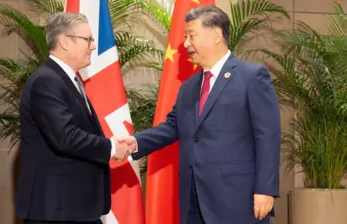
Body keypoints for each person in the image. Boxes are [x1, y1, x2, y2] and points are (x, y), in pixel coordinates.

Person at [118, 5, 281, 224]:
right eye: (185, 37)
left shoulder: (252, 77)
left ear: (216, 35)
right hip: (193, 198)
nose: (185, 43)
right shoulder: (188, 87)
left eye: (191, 36)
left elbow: (267, 136)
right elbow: (173, 127)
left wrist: (265, 189)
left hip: (237, 199)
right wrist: (135, 143)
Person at [16, 12, 132, 224]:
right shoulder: (47, 81)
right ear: (64, 41)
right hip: (56, 210)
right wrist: (112, 148)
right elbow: (65, 137)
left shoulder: (65, 80)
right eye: (87, 40)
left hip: (74, 207)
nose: (93, 46)